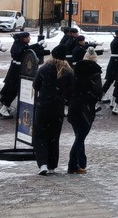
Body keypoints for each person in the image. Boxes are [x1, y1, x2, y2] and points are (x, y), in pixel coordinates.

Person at [32, 46, 74, 175]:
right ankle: (52, 165)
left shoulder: (44, 68)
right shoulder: (68, 71)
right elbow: (70, 90)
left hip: (43, 105)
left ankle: (42, 163)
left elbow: (36, 85)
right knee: (54, 137)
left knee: (39, 135)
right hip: (58, 107)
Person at [68, 50, 102, 174]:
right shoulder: (95, 73)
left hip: (74, 107)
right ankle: (73, 165)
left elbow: (68, 89)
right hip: (86, 108)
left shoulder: (74, 71)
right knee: (80, 138)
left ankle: (81, 163)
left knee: (79, 135)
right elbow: (98, 92)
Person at [0, 32, 47, 118]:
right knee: (13, 90)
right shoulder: (20, 46)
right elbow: (26, 51)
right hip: (17, 71)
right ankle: (4, 108)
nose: (29, 39)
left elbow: (29, 49)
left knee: (10, 89)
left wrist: (39, 46)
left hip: (15, 70)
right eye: (28, 37)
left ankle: (2, 106)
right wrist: (39, 46)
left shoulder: (20, 44)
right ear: (23, 38)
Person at [100, 29, 118, 102]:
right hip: (116, 63)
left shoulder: (116, 41)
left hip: (114, 62)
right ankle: (101, 95)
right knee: (110, 80)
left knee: (117, 80)